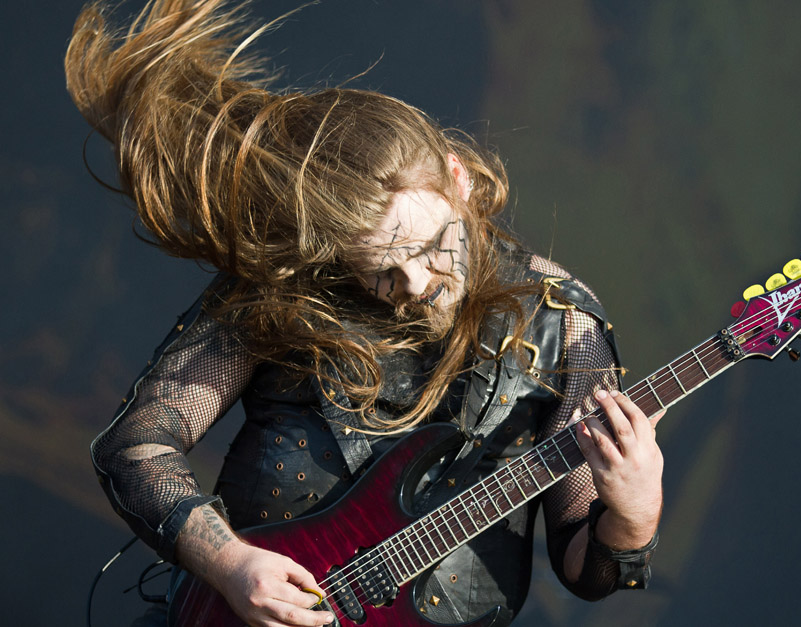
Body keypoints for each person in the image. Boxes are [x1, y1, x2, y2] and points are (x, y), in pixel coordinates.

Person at [65, 1, 664, 625]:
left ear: (457, 180)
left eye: (430, 247)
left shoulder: (562, 320)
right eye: (380, 270)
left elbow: (587, 574)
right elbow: (134, 445)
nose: (415, 284)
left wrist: (634, 510)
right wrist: (229, 564)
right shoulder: (290, 287)